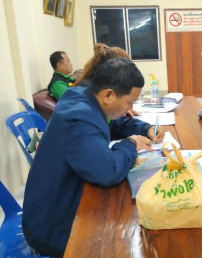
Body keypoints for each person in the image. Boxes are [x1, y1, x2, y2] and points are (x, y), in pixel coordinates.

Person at [22, 57, 165, 257]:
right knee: (122, 237)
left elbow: (112, 124)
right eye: (129, 102)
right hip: (51, 227)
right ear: (108, 95)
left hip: (59, 204)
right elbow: (108, 171)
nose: (129, 109)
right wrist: (131, 144)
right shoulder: (78, 119)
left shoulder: (84, 97)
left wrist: (144, 128)